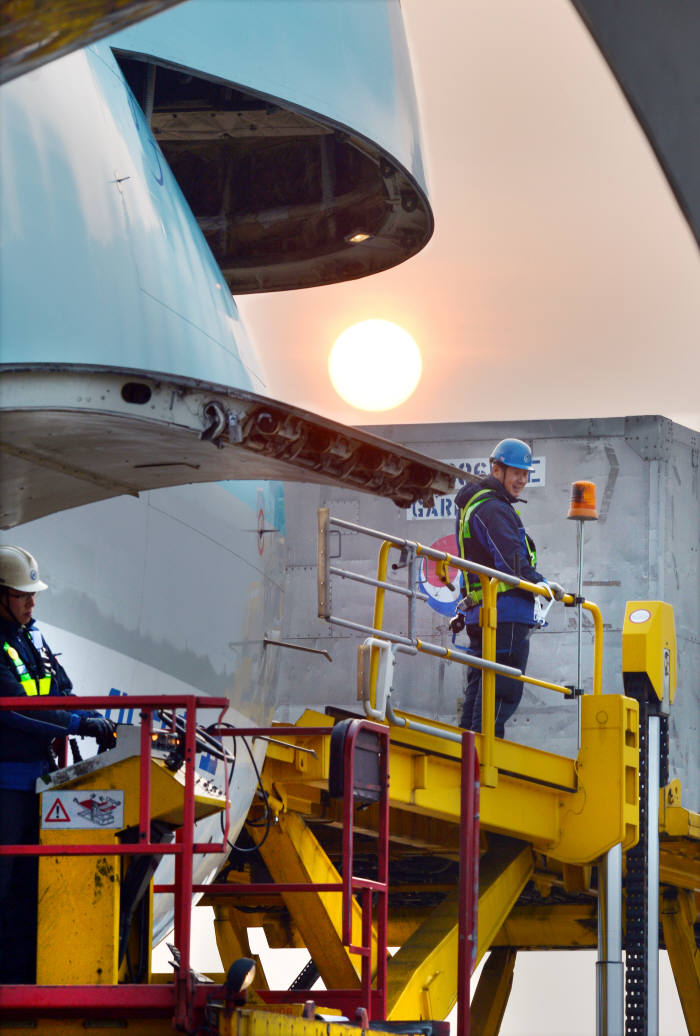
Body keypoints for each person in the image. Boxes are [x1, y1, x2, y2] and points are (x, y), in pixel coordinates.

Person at [0, 545, 116, 984]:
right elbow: (14, 708)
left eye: (33, 595)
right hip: (5, 783)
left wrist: (86, 719)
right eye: (21, 595)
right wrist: (79, 723)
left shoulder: (33, 637)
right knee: (5, 880)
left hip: (37, 778)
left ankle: (25, 973)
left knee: (33, 881)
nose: (32, 602)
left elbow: (61, 690)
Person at [450, 439, 565, 739]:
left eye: (526, 474)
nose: (522, 480)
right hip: (504, 613)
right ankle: (485, 755)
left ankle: (470, 754)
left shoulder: (478, 504)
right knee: (502, 690)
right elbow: (511, 560)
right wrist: (538, 583)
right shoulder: (493, 508)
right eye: (516, 473)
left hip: (484, 612)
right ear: (496, 469)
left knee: (481, 686)